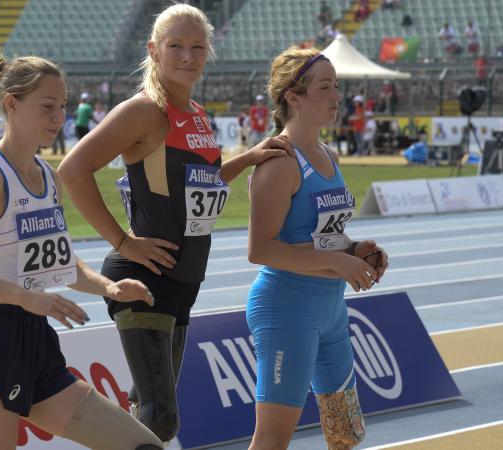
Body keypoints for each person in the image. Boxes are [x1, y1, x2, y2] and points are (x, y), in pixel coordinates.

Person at [57, 4, 294, 443]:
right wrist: (122, 242)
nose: (188, 56)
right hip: (144, 279)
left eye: (198, 47)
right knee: (160, 418)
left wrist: (246, 158)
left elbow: (198, 184)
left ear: (209, 52)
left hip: (183, 282)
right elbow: (73, 169)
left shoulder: (198, 116)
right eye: (176, 47)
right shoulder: (145, 111)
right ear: (154, 50)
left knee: (146, 412)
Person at [0, 54, 165, 450]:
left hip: (35, 341)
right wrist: (26, 298)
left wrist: (108, 288)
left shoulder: (47, 176)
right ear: (11, 103)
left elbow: (58, 260)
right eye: (47, 106)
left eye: (62, 106)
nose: (58, 117)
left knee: (142, 446)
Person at [245, 47, 389, 450]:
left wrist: (357, 249)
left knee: (345, 433)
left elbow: (320, 233)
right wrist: (336, 262)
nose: (337, 97)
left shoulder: (327, 153)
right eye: (325, 87)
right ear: (294, 95)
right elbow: (260, 250)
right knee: (272, 440)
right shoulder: (279, 161)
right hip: (287, 310)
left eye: (337, 86)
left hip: (331, 310)